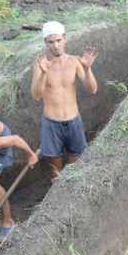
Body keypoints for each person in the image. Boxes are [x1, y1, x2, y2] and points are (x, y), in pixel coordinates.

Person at [30, 21, 98, 178]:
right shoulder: (40, 64)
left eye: (58, 40)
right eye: (51, 42)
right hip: (52, 123)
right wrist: (43, 73)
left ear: (65, 39)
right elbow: (36, 95)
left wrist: (87, 69)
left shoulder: (74, 62)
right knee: (56, 169)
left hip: (74, 121)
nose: (55, 45)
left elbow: (92, 89)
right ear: (46, 43)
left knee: (77, 165)